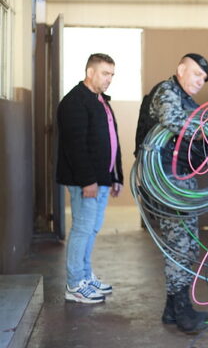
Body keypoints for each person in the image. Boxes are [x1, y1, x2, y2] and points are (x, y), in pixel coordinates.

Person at [134, 53, 208, 333]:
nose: (199, 81)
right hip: (165, 181)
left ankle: (173, 309)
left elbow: (197, 144)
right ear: (180, 69)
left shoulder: (190, 102)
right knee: (180, 247)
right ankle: (182, 311)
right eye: (195, 74)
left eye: (203, 79)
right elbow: (173, 120)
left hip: (181, 180)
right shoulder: (166, 91)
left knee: (188, 245)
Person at [57, 53, 123, 304]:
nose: (109, 79)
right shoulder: (75, 102)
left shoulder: (100, 101)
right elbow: (76, 147)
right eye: (105, 74)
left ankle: (85, 276)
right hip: (86, 182)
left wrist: (115, 175)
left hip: (102, 178)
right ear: (90, 72)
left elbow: (111, 140)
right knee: (82, 229)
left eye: (112, 75)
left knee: (91, 229)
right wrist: (88, 181)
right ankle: (74, 284)